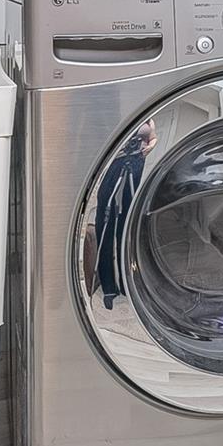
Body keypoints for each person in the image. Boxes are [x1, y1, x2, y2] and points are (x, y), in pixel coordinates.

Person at [95, 119, 157, 309]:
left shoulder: (149, 119)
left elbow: (153, 137)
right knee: (105, 220)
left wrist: (150, 147)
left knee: (128, 223)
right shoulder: (114, 113)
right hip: (115, 164)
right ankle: (108, 286)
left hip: (137, 162)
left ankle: (127, 284)